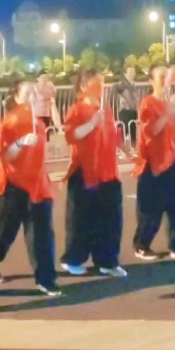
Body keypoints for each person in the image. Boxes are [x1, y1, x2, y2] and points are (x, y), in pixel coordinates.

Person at [0, 78, 62, 296]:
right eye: (27, 94)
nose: (32, 98)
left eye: (35, 93)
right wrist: (19, 143)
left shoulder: (40, 123)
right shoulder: (10, 122)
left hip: (36, 184)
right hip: (11, 183)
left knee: (41, 232)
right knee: (4, 229)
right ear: (16, 98)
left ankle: (45, 278)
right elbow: (5, 156)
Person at [60, 69, 127, 278]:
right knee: (81, 220)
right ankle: (74, 258)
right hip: (85, 171)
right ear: (83, 87)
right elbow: (71, 135)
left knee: (111, 219)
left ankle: (107, 261)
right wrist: (91, 123)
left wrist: (124, 149)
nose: (101, 88)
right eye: (96, 83)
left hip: (108, 172)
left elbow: (112, 134)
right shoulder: (76, 110)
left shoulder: (105, 108)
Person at [132, 65, 175, 262]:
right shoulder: (147, 104)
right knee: (151, 210)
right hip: (152, 162)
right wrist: (169, 110)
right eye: (161, 77)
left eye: (166, 76)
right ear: (151, 82)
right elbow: (151, 130)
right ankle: (142, 245)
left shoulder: (170, 103)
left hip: (172, 160)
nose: (165, 80)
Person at [116, 66, 140, 158]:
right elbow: (114, 90)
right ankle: (122, 151)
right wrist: (122, 99)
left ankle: (133, 149)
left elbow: (137, 96)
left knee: (133, 129)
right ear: (125, 74)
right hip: (124, 110)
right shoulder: (122, 84)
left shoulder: (134, 84)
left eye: (133, 72)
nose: (132, 74)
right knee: (124, 130)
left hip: (133, 109)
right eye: (130, 72)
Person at [34, 69, 62, 139]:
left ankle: (46, 142)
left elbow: (54, 94)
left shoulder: (50, 86)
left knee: (47, 128)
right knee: (39, 128)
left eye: (46, 77)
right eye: (43, 77)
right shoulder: (35, 86)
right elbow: (42, 96)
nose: (45, 79)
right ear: (38, 79)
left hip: (48, 111)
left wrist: (52, 88)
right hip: (38, 112)